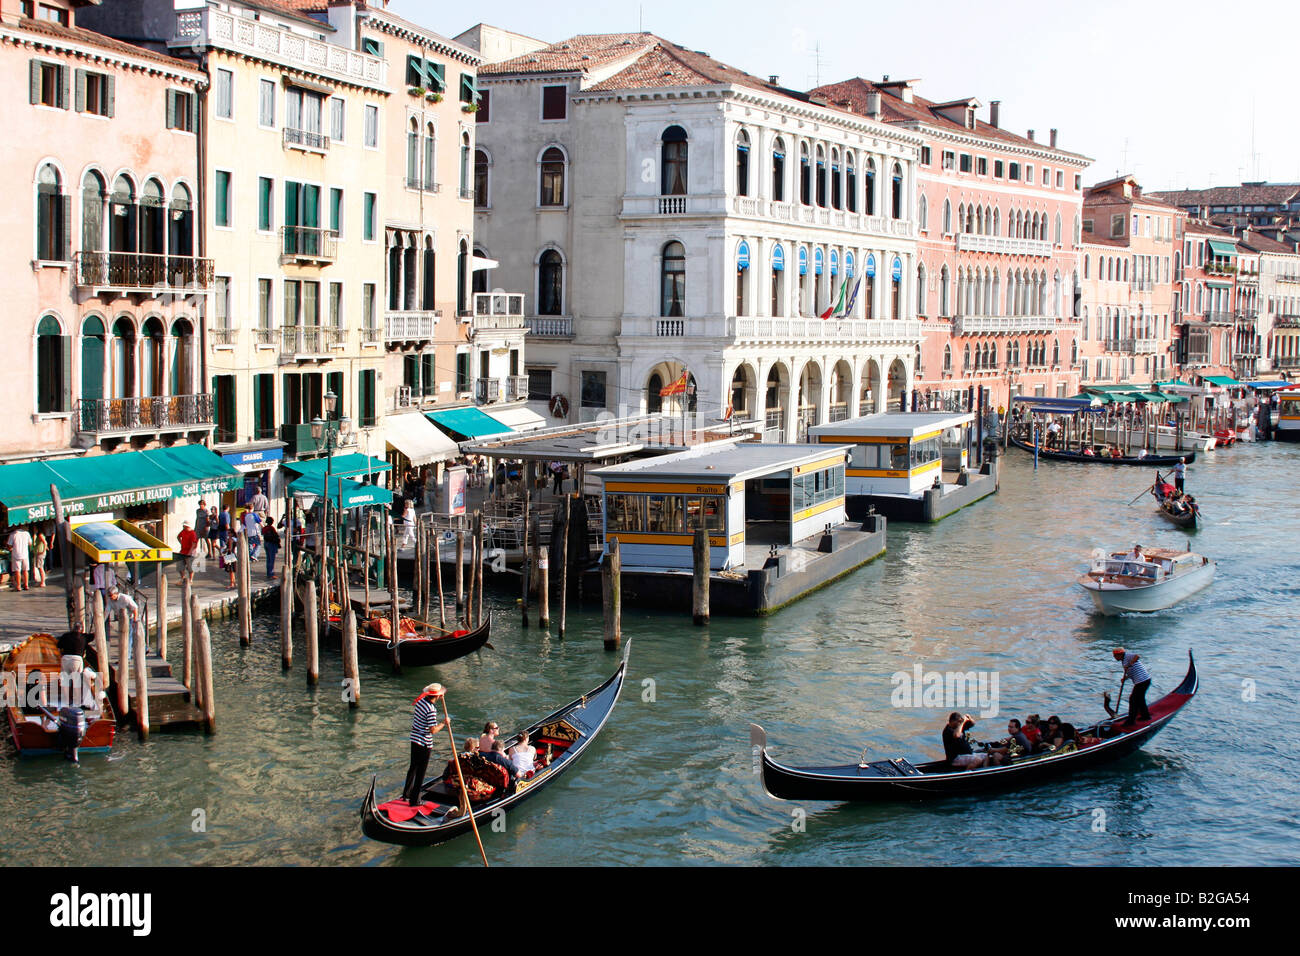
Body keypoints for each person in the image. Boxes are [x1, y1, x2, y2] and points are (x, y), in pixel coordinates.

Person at [402, 682, 448, 807]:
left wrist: (439, 695)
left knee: (413, 768)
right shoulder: (431, 709)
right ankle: (415, 800)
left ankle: (406, 794)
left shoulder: (420, 701)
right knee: (421, 772)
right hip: (424, 743)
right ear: (437, 696)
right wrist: (444, 723)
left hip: (414, 739)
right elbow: (432, 730)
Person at [942, 712, 1007, 769]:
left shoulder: (958, 726)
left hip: (967, 754)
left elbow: (972, 724)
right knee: (977, 760)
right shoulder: (948, 730)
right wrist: (962, 723)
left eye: (960, 722)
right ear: (952, 721)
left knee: (986, 756)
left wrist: (969, 718)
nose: (959, 723)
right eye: (958, 722)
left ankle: (984, 771)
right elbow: (957, 735)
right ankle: (966, 775)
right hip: (955, 758)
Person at [1113, 647, 1152, 727]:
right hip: (1142, 680)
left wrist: (1131, 663)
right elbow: (1131, 671)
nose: (1114, 657)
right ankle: (1145, 716)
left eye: (1115, 656)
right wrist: (1125, 678)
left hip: (1142, 681)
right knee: (1140, 699)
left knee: (1133, 700)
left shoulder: (1127, 656)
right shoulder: (1123, 661)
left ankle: (1131, 721)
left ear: (1120, 654)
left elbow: (1137, 656)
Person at [7, 525, 32, 591]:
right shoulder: (27, 533)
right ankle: (26, 585)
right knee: (25, 570)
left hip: (16, 554)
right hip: (25, 554)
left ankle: (18, 586)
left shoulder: (13, 534)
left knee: (17, 571)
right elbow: (30, 543)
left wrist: (11, 548)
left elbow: (9, 545)